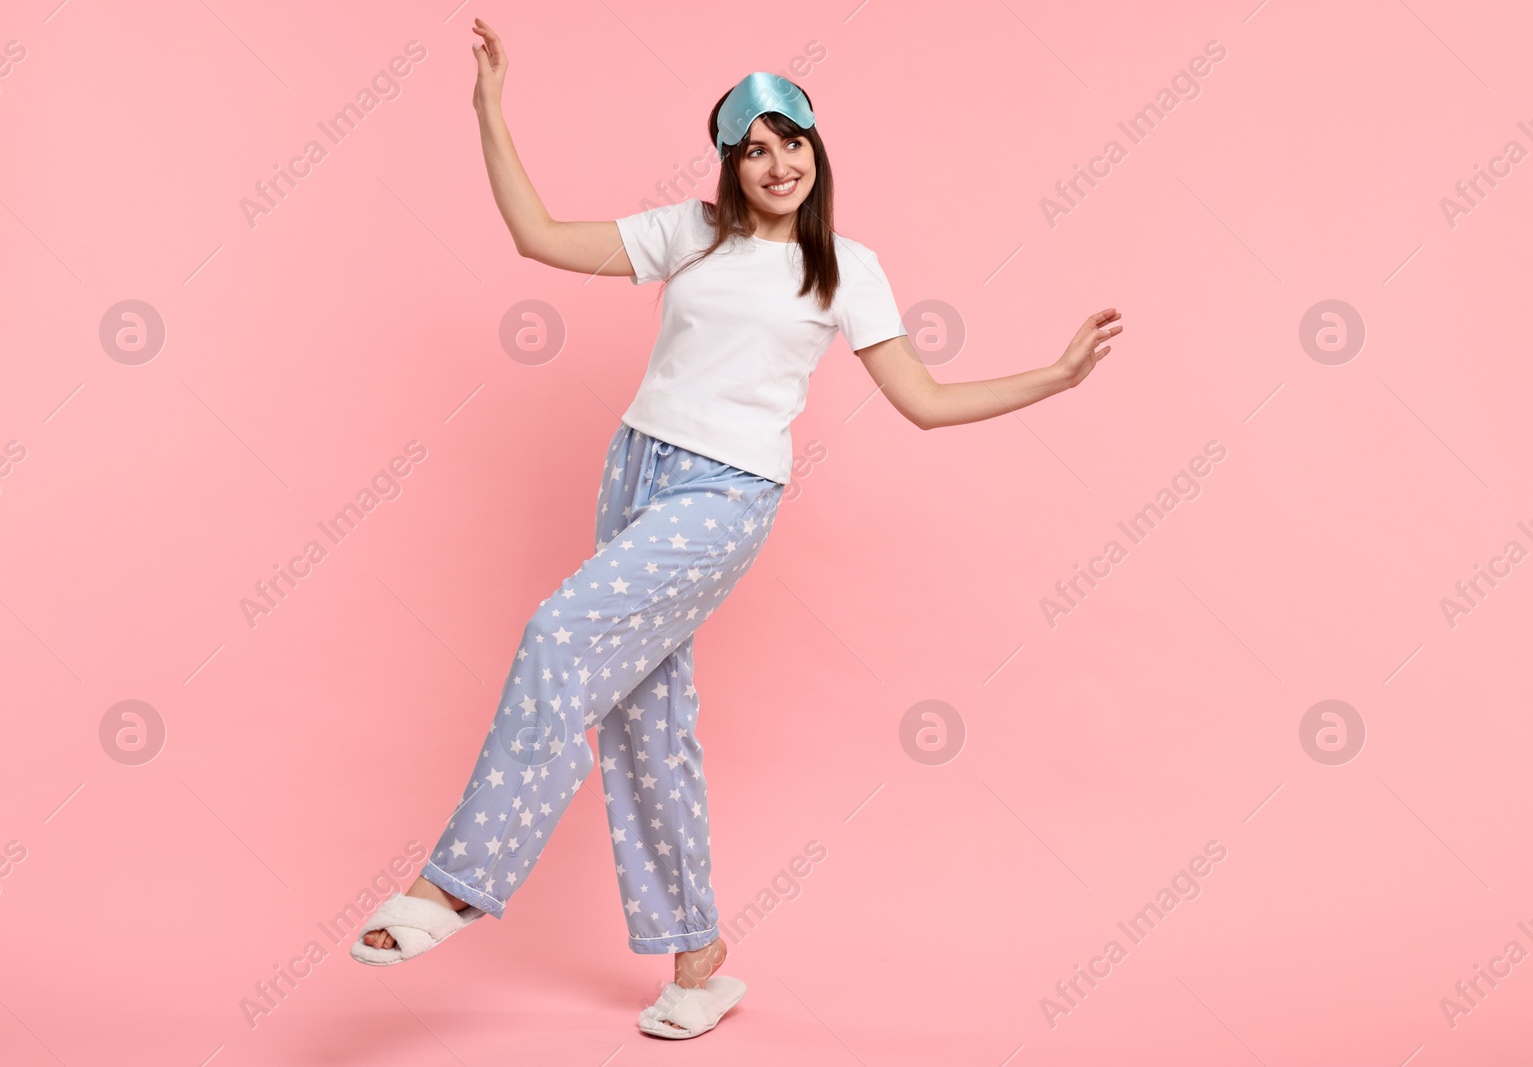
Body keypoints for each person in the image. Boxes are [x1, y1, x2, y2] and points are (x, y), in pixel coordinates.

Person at [349, 17, 1122, 1041]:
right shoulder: (691, 233)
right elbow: (537, 236)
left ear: (816, 149)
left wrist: (1054, 376)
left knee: (557, 632)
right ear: (728, 165)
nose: (777, 162)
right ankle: (698, 960)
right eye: (752, 147)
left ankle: (454, 882)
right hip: (633, 471)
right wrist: (491, 109)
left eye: (791, 140)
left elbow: (925, 402)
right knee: (647, 725)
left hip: (724, 496)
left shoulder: (847, 266)